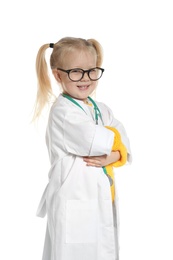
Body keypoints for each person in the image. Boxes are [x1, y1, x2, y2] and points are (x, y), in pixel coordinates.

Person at [34, 37, 132, 260]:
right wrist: (115, 148)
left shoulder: (101, 109)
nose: (85, 78)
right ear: (58, 74)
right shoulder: (64, 112)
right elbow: (96, 140)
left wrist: (115, 154)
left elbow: (123, 142)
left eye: (91, 71)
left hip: (99, 197)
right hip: (75, 198)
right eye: (76, 71)